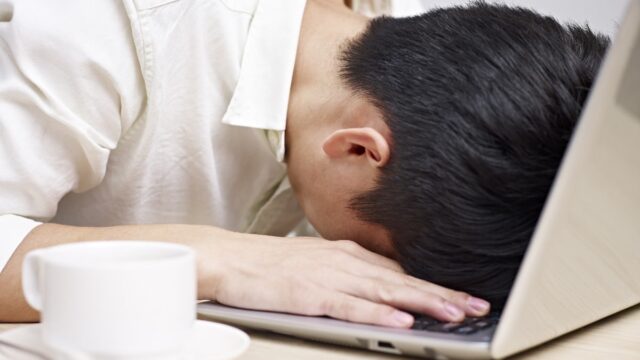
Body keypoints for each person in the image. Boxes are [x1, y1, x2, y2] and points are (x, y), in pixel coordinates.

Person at [0, 0, 608, 326]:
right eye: (378, 254)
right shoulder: (116, 30)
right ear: (357, 148)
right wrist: (218, 261)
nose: (359, 266)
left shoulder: (431, 46)